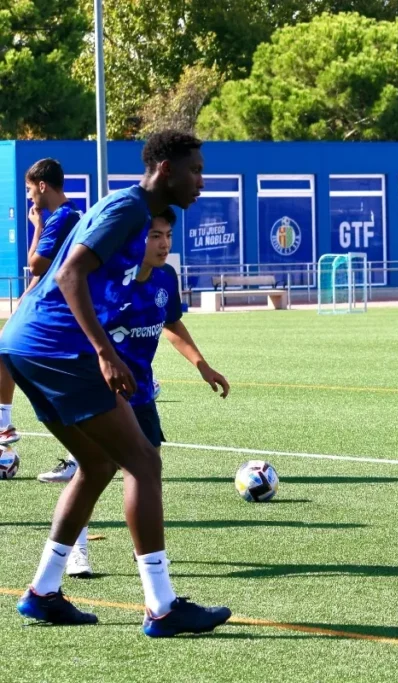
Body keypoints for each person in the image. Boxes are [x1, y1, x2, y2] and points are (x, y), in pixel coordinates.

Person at [2, 130, 231, 637]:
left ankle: (43, 592)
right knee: (144, 461)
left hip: (29, 346)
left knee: (99, 463)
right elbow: (68, 275)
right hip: (57, 347)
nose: (202, 181)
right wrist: (106, 353)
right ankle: (162, 606)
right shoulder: (128, 208)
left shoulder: (135, 213)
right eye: (195, 170)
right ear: (166, 170)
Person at [65, 210, 230, 578]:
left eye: (168, 235)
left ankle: (146, 552)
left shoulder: (166, 277)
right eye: (155, 235)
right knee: (93, 471)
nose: (164, 244)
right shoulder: (104, 278)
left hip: (139, 393)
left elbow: (171, 322)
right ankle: (75, 551)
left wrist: (201, 365)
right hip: (96, 391)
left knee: (146, 471)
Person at [0, 159, 82, 451]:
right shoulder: (72, 216)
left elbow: (36, 264)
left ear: (43, 185)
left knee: (11, 352)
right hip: (51, 303)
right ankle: (3, 426)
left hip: (56, 309)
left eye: (29, 189)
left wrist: (38, 228)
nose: (29, 195)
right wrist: (26, 296)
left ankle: (3, 426)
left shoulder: (61, 218)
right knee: (5, 349)